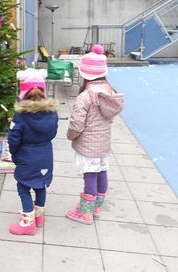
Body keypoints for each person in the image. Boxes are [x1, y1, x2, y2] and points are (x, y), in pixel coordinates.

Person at [66, 44, 125, 225]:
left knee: (90, 176)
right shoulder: (109, 92)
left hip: (87, 145)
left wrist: (70, 135)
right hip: (103, 145)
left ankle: (86, 213)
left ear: (84, 73)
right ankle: (96, 207)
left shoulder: (85, 96)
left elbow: (77, 125)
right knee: (101, 173)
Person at [8, 68, 58, 236]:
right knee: (41, 185)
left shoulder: (21, 115)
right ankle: (38, 217)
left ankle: (27, 223)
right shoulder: (52, 112)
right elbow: (53, 133)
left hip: (27, 157)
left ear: (23, 93)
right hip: (45, 155)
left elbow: (14, 138)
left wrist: (14, 154)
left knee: (23, 186)